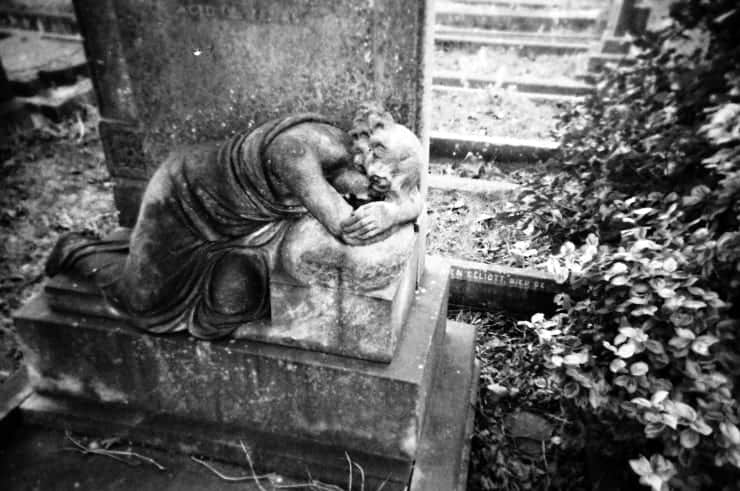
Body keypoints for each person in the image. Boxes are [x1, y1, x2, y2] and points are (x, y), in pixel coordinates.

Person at [46, 106, 422, 339]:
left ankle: (153, 260)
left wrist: (398, 209)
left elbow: (402, 198)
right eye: (377, 149)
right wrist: (397, 209)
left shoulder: (343, 158)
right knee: (144, 300)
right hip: (185, 197)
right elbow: (348, 228)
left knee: (230, 300)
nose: (372, 164)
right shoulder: (298, 153)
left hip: (249, 228)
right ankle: (76, 251)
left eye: (382, 162)